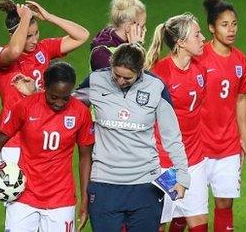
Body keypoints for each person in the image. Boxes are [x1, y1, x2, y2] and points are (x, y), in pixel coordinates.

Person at [74, 43, 191, 231]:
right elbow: (67, 107)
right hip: (105, 184)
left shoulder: (156, 87)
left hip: (145, 185)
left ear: (140, 71)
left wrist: (183, 177)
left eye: (127, 78)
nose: (120, 81)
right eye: (116, 75)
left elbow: (172, 137)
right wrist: (32, 97)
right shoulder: (96, 81)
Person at [0, 62, 94, 232]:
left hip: (61, 200)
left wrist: (85, 199)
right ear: (45, 87)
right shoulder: (26, 106)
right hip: (24, 196)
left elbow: (85, 156)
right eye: (53, 97)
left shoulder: (80, 112)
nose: (59, 103)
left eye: (66, 97)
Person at [0, 0, 89, 165]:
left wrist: (49, 17)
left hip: (39, 132)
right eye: (28, 36)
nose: (34, 40)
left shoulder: (43, 49)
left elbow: (82, 36)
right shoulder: (1, 55)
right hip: (13, 137)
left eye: (36, 33)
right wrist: (24, 20)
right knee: (5, 188)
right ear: (13, 34)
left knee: (36, 186)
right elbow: (15, 51)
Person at [145, 13, 209, 232]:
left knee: (199, 223)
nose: (203, 38)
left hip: (195, 160)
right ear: (181, 42)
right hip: (167, 163)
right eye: (197, 34)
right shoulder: (160, 75)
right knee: (160, 224)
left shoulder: (200, 69)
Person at [196, 0, 246, 231]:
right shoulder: (199, 57)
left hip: (227, 144)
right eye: (224, 24)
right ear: (211, 28)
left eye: (234, 24)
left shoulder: (241, 59)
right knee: (192, 208)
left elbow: (240, 98)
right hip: (199, 144)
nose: (231, 30)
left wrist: (243, 136)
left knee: (225, 203)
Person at [90, 0, 146, 71]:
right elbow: (126, 80)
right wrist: (136, 48)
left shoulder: (126, 42)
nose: (145, 30)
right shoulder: (102, 53)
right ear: (128, 27)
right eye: (142, 26)